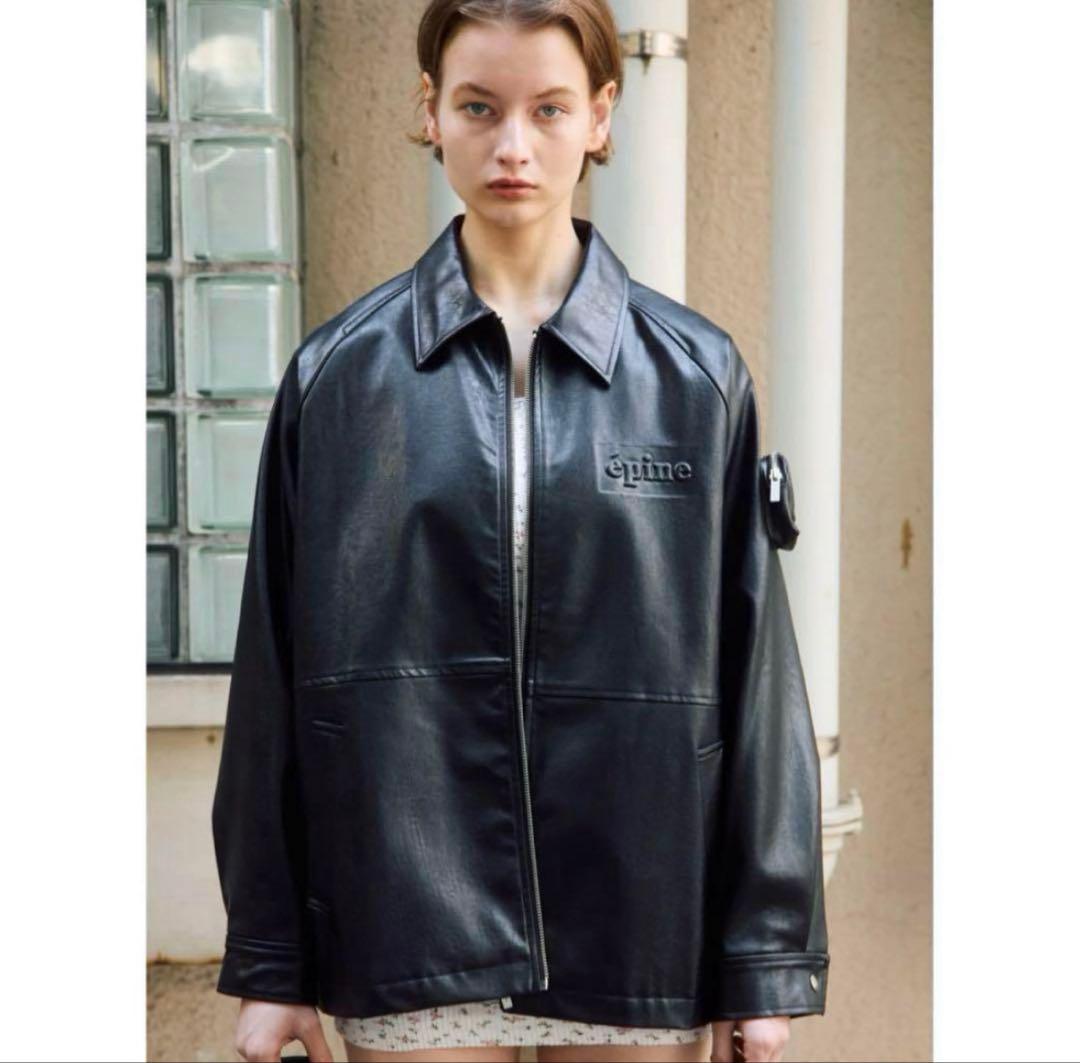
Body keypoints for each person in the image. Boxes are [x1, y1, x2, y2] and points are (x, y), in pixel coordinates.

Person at [212, 2, 829, 1062]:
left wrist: (762, 961)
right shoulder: (339, 378)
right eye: (478, 107)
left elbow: (757, 681)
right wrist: (272, 960)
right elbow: (270, 683)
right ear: (431, 112)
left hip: (639, 926)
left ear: (600, 116)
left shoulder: (695, 378)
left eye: (548, 109)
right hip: (405, 924)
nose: (512, 146)